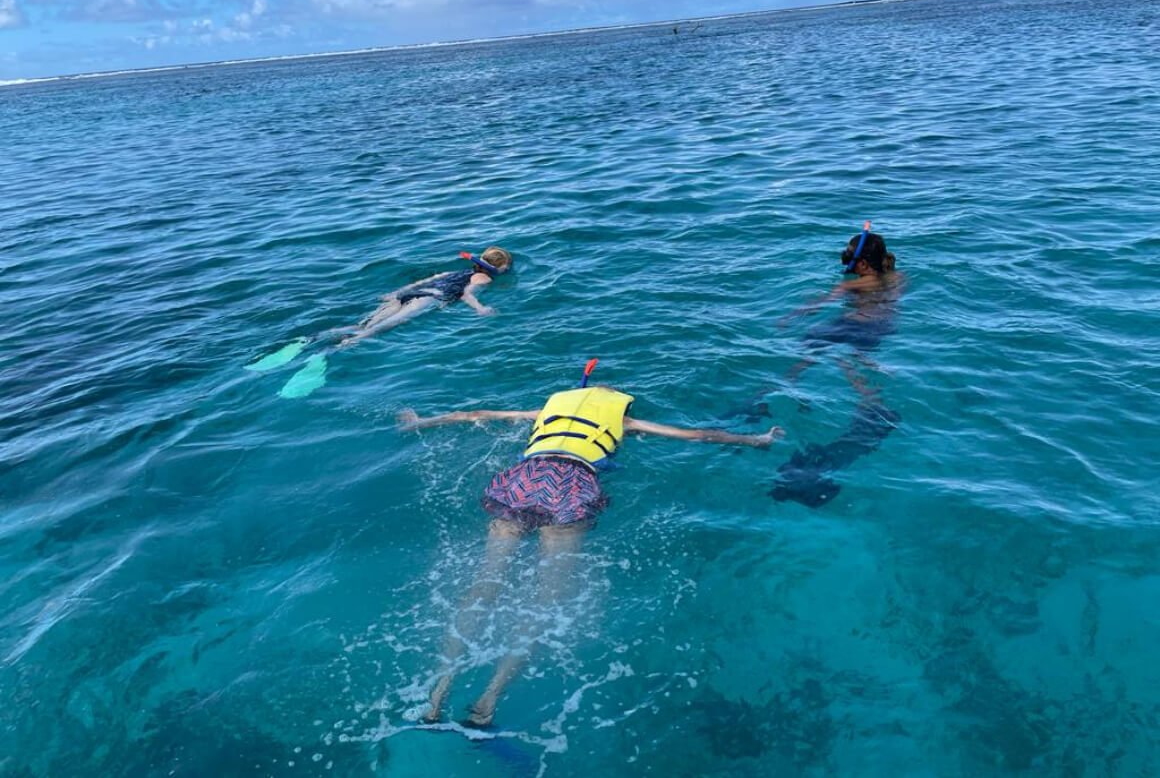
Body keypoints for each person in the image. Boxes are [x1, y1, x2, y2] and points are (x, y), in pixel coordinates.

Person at [397, 360, 783, 727]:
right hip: (571, 488)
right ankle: (488, 701)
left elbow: (474, 415)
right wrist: (758, 439)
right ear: (616, 403)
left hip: (525, 480)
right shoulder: (626, 420)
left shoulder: (544, 412)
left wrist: (421, 421)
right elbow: (700, 435)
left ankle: (437, 695)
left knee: (484, 583)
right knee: (546, 595)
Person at [245, 247, 513, 397]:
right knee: (377, 331)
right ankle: (329, 352)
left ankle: (311, 339)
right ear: (499, 268)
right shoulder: (484, 278)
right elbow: (466, 293)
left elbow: (423, 281)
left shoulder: (454, 270)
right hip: (428, 300)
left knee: (364, 324)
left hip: (407, 294)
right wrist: (480, 308)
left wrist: (394, 294)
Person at [781, 222, 904, 402]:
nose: (845, 260)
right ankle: (868, 393)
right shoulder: (898, 277)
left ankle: (787, 382)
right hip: (883, 327)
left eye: (848, 256)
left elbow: (819, 304)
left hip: (855, 324)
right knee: (851, 355)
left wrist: (791, 316)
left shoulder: (850, 285)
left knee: (811, 346)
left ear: (862, 264)